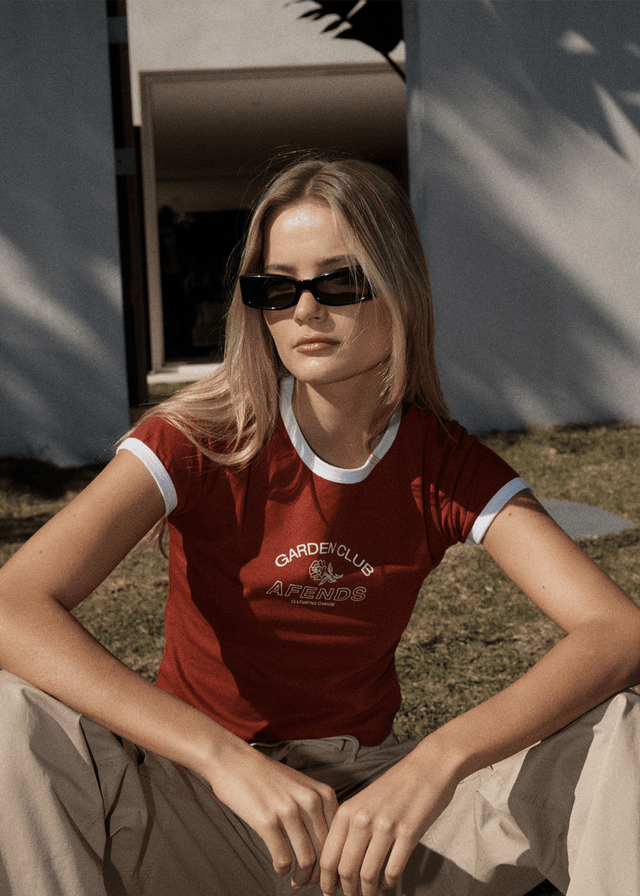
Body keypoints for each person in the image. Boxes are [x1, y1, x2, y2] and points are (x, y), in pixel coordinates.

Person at [0, 154, 639, 896]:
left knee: (619, 730)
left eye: (338, 281)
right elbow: (14, 603)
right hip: (198, 806)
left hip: (370, 827)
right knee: (13, 712)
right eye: (277, 288)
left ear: (400, 289)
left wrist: (437, 761)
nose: (304, 310)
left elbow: (616, 631)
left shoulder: (444, 464)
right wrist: (219, 757)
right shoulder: (202, 438)